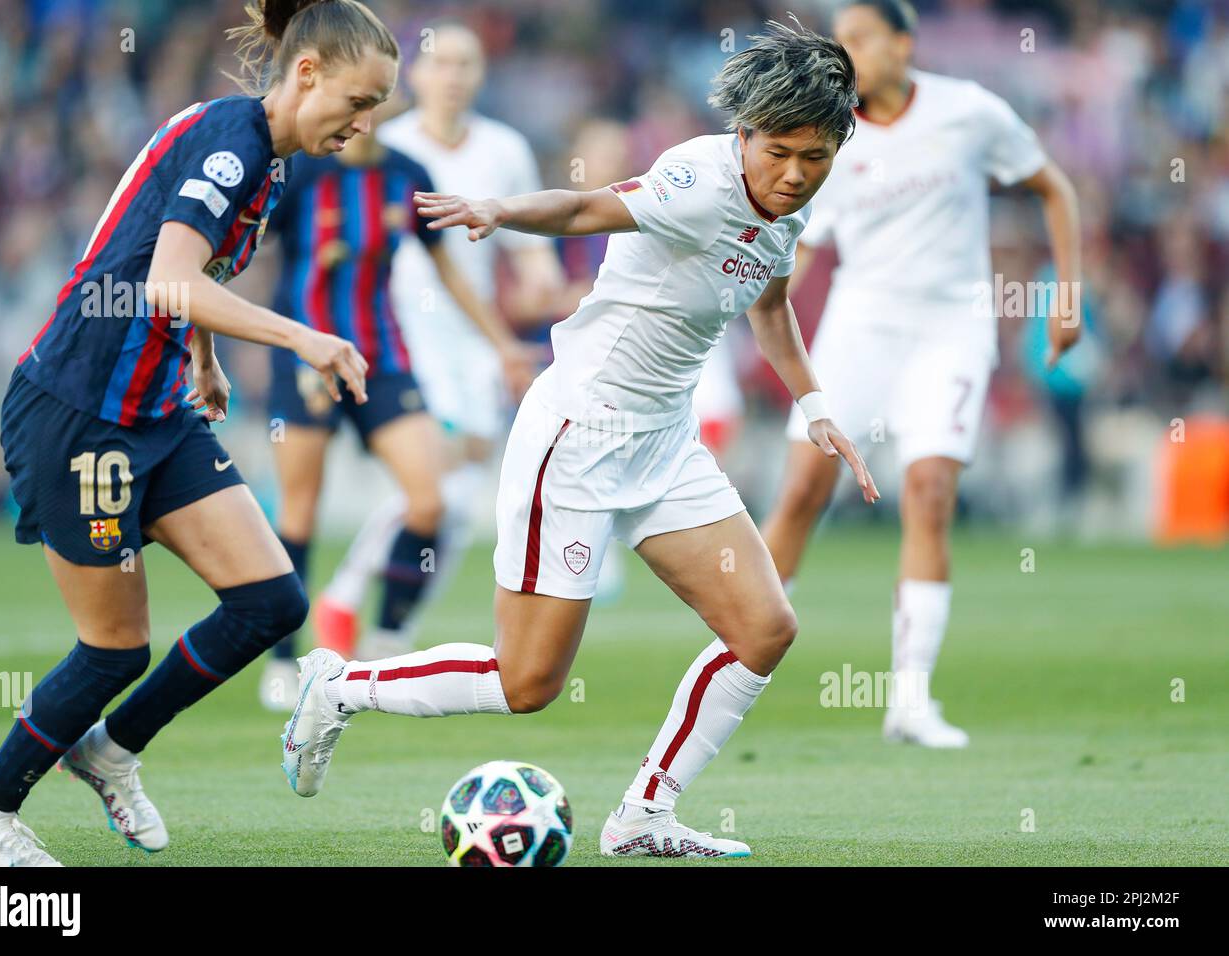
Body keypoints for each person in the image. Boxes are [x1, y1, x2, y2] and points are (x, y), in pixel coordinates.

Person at [282, 17, 880, 860]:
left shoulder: (791, 202)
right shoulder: (697, 182)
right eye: (778, 151)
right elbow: (584, 206)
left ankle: (643, 816)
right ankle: (340, 686)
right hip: (580, 435)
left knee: (764, 628)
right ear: (744, 134)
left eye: (814, 157)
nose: (793, 174)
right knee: (526, 684)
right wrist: (500, 210)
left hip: (665, 443)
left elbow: (772, 305)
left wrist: (815, 404)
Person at [0, 0, 398, 866]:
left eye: (375, 107)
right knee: (114, 650)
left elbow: (193, 275)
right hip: (82, 416)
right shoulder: (231, 144)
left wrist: (205, 358)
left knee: (271, 602)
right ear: (307, 74)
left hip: (157, 408)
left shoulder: (268, 157)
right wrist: (301, 335)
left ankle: (110, 752)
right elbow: (169, 277)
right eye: (357, 100)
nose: (364, 122)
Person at [760, 0, 1082, 747]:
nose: (850, 52)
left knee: (930, 489)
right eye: (840, 41)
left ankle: (910, 699)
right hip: (859, 327)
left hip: (952, 328)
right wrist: (750, 309)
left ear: (904, 43)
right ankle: (737, 659)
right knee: (803, 489)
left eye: (864, 37)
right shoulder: (823, 139)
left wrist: (1066, 300)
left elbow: (1054, 189)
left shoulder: (968, 113)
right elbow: (798, 248)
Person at [257, 119, 533, 710]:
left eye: (375, 96)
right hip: (306, 361)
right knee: (300, 511)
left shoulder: (406, 176)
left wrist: (502, 342)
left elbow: (448, 270)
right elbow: (255, 247)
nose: (363, 111)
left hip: (381, 360)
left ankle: (385, 642)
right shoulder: (303, 170)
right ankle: (283, 661)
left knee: (429, 500)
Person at [311, 21, 564, 660]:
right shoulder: (379, 142)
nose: (452, 75)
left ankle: (380, 623)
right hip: (397, 332)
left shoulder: (503, 150)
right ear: (414, 75)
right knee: (438, 484)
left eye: (465, 63)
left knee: (455, 501)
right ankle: (352, 603)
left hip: (473, 340)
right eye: (440, 63)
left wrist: (545, 293)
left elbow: (529, 249)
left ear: (480, 75)